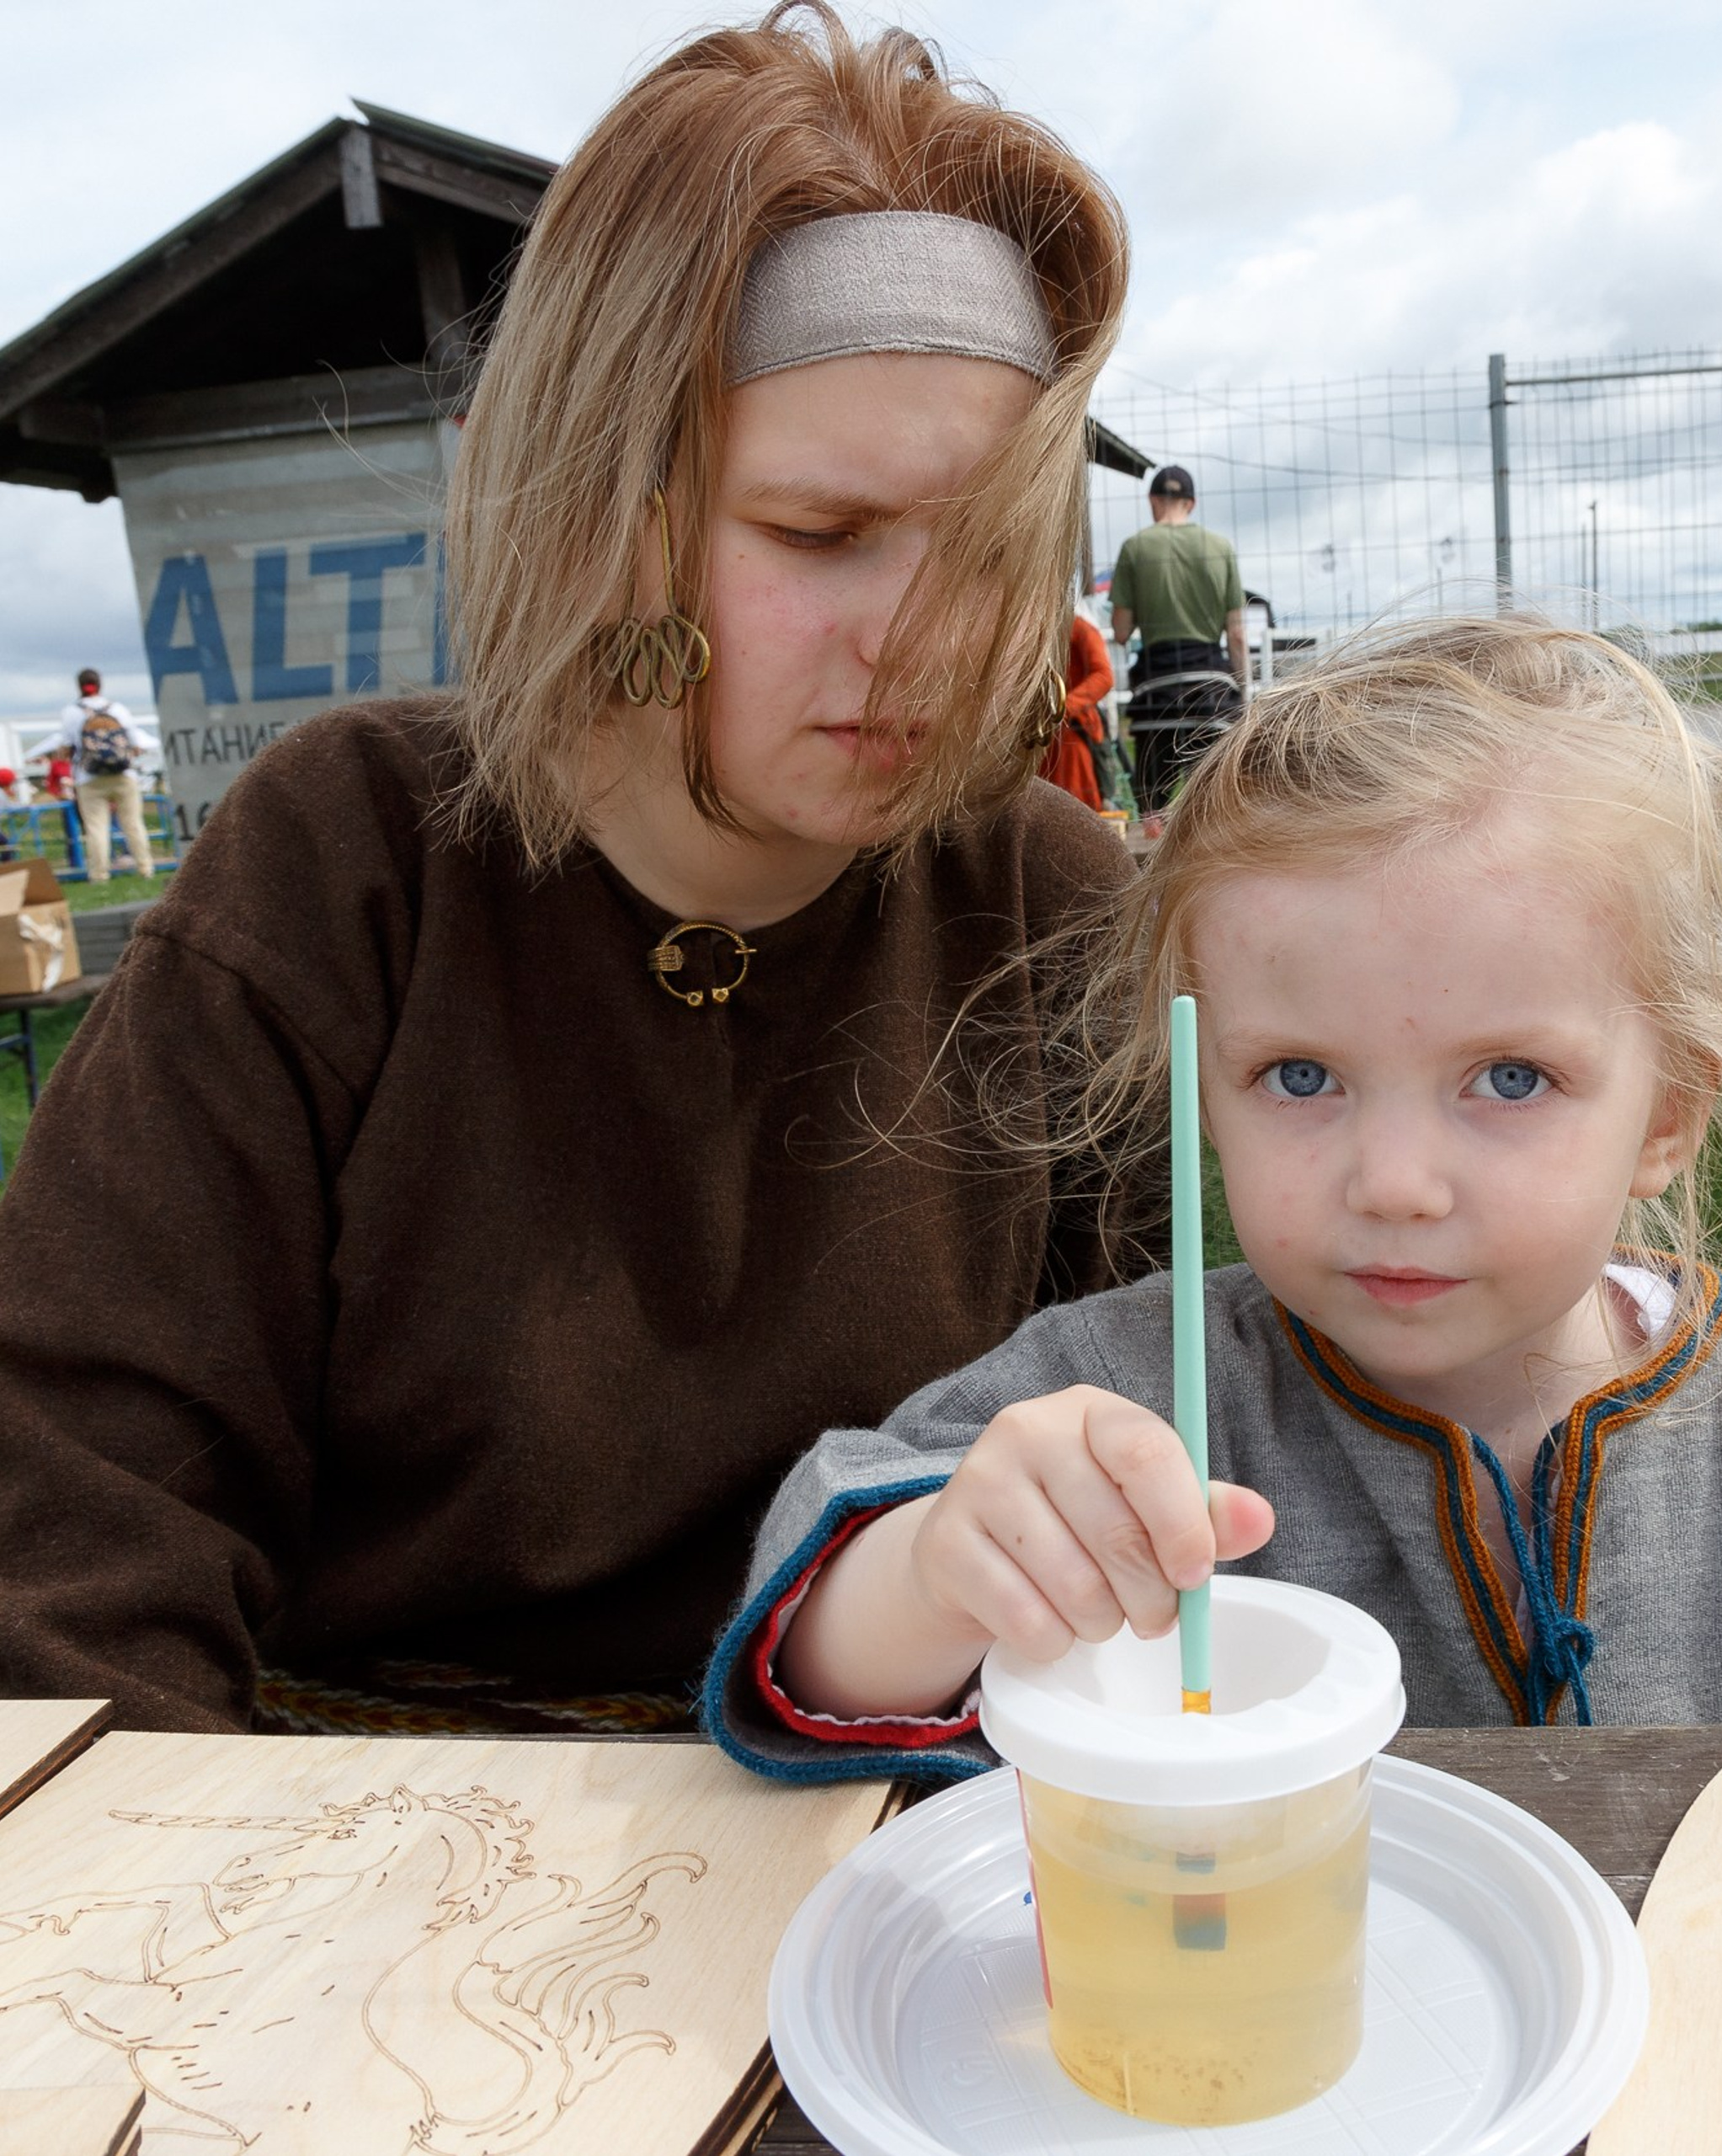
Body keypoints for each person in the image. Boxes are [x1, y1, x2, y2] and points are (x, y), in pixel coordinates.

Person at [0, 3, 1154, 1737]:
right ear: (588, 496)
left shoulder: (1051, 902)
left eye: (988, 549)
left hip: (899, 1859)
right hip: (333, 1852)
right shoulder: (343, 863)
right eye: (817, 535)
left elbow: (1172, 1476)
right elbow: (79, 1539)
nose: (929, 640)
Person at [703, 615, 1722, 1781]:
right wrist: (941, 1569)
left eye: (1509, 1080)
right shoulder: (1134, 1397)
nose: (1392, 1186)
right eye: (1300, 1078)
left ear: (1666, 1113)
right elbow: (816, 1635)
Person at [1109, 465, 1245, 813]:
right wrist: (1241, 688)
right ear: (1192, 503)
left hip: (1157, 691)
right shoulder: (1220, 548)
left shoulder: (1135, 548)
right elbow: (1237, 634)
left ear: (1153, 500)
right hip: (1210, 688)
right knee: (1215, 805)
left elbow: (1121, 632)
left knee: (1152, 807)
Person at [29, 667, 158, 881]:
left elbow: (67, 746)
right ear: (100, 684)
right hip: (123, 774)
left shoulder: (71, 712)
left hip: (89, 777)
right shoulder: (118, 709)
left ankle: (100, 875)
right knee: (133, 824)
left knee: (96, 828)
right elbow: (134, 742)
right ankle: (146, 868)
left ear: (79, 686)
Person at [1039, 610, 1112, 810]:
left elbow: (1104, 676)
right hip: (1040, 734)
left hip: (1073, 730)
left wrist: (1064, 706)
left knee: (1074, 805)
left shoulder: (1081, 629)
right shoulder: (1034, 629)